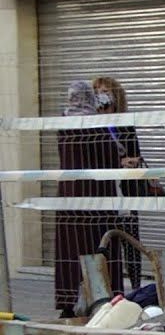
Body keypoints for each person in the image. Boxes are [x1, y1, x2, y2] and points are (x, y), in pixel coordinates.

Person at [54, 81, 122, 317]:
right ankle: (104, 297)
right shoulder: (96, 124)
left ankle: (69, 299)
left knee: (71, 248)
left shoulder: (63, 121)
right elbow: (112, 156)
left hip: (69, 197)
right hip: (97, 196)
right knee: (100, 243)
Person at [93, 76, 151, 290]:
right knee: (104, 239)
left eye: (106, 90)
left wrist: (131, 161)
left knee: (131, 239)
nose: (102, 95)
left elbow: (136, 152)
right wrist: (116, 162)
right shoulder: (91, 125)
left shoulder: (125, 124)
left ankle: (135, 286)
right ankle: (107, 286)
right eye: (97, 91)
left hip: (126, 189)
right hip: (104, 190)